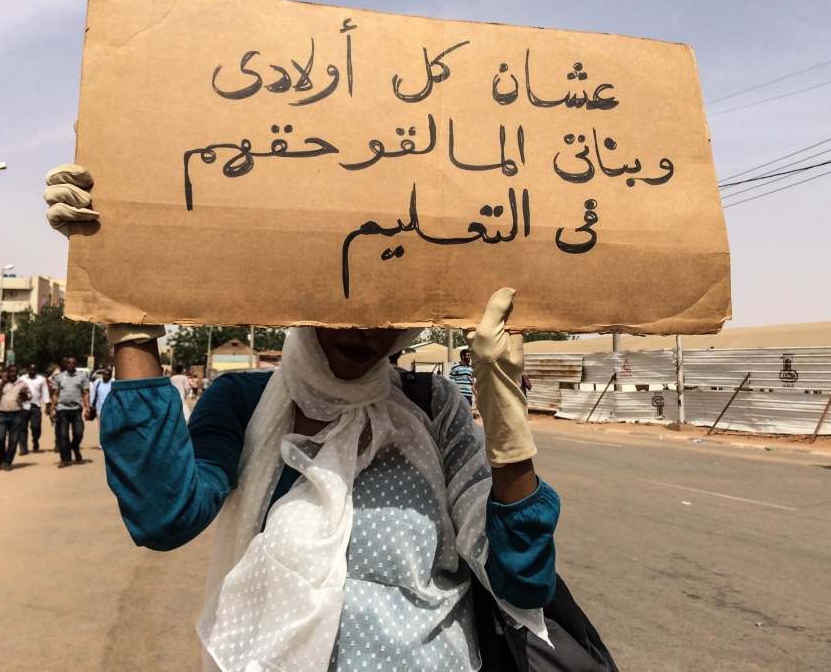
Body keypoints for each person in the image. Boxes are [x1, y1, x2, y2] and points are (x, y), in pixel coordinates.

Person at [46, 165, 562, 671]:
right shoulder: (243, 400)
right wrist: (123, 311)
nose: (366, 329)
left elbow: (522, 581)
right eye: (346, 300)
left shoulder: (434, 406)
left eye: (390, 310)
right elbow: (164, 515)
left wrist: (504, 414)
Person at [49, 356, 90, 467]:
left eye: (73, 363)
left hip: (76, 409)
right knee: (63, 435)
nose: (71, 365)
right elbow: (55, 394)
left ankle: (75, 447)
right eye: (69, 363)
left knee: (78, 433)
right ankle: (65, 459)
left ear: (76, 364)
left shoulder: (81, 377)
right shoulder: (59, 377)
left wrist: (87, 408)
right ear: (66, 365)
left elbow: (85, 393)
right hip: (62, 409)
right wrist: (52, 409)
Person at [0, 364, 32, 470]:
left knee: (13, 440)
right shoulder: (0, 383)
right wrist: (3, 380)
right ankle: (1, 457)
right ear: (7, 372)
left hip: (17, 414)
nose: (13, 374)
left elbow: (28, 398)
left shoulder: (22, 384)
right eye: (11, 372)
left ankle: (8, 461)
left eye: (15, 372)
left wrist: (23, 394)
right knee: (0, 438)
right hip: (2, 414)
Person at [19, 363, 50, 455]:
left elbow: (45, 393)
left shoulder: (41, 379)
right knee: (22, 428)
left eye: (34, 370)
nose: (32, 372)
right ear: (27, 369)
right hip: (23, 406)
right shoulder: (21, 379)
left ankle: (35, 440)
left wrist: (48, 405)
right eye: (30, 370)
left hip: (35, 406)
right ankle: (23, 448)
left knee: (36, 427)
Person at [88, 367, 114, 449]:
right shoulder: (97, 383)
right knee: (101, 426)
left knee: (110, 425)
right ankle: (101, 443)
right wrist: (91, 404)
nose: (106, 376)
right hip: (99, 408)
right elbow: (93, 394)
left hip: (110, 408)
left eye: (107, 375)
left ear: (110, 376)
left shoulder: (112, 383)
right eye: (104, 375)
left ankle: (111, 442)